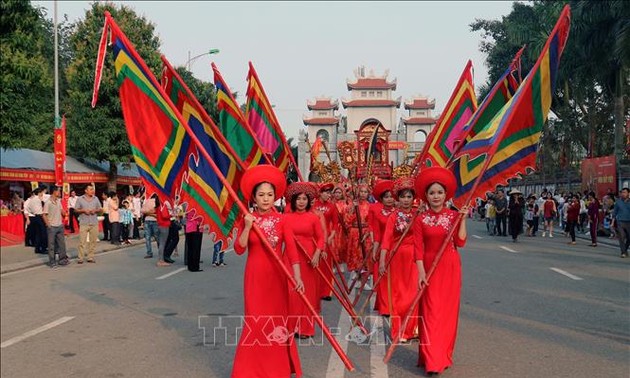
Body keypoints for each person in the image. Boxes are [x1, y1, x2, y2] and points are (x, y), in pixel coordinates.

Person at [231, 165, 304, 378]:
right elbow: (239, 249)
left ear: (275, 197)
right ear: (253, 197)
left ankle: (276, 370)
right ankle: (249, 371)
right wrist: (246, 226)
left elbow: (291, 251)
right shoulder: (248, 219)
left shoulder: (283, 220)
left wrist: (297, 277)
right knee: (255, 322)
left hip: (277, 279)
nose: (265, 199)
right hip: (254, 278)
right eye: (261, 195)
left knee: (275, 323)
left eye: (270, 195)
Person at [412, 167, 469, 376]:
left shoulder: (453, 216)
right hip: (428, 269)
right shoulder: (420, 219)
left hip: (450, 267)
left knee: (446, 313)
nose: (436, 196)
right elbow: (418, 248)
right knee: (430, 313)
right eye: (432, 193)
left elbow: (460, 242)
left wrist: (462, 220)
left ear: (446, 195)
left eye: (439, 192)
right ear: (426, 196)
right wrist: (420, 273)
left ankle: (442, 355)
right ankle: (431, 359)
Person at [379, 177, 418, 342]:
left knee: (414, 294)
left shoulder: (418, 214)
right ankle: (399, 331)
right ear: (398, 198)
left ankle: (412, 329)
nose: (406, 200)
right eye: (403, 197)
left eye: (409, 197)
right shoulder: (393, 217)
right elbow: (386, 240)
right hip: (397, 257)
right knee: (398, 295)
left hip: (416, 258)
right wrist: (382, 261)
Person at [285, 182, 325, 338]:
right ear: (293, 200)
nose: (301, 202)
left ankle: (306, 328)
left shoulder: (313, 218)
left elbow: (321, 238)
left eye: (304, 199)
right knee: (292, 293)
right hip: (289, 256)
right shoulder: (285, 218)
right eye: (298, 198)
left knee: (307, 293)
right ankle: (291, 326)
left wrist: (317, 254)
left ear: (309, 201)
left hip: (309, 258)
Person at [368, 179, 394, 316]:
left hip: (397, 250)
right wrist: (375, 250)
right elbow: (377, 234)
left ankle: (394, 304)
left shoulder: (400, 213)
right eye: (386, 197)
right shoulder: (378, 213)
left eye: (391, 196)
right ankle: (385, 307)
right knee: (383, 278)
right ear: (382, 199)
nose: (389, 200)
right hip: (384, 249)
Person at [74, 184, 102, 264]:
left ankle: (90, 257)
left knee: (93, 241)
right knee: (82, 241)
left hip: (94, 222)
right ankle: (80, 258)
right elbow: (75, 210)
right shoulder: (80, 199)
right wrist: (83, 210)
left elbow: (100, 209)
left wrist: (95, 211)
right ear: (86, 190)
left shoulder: (95, 199)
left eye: (92, 189)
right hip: (84, 222)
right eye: (90, 189)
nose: (92, 191)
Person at [43, 186, 69, 268]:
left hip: (59, 225)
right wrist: (48, 224)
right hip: (52, 226)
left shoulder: (58, 201)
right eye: (58, 191)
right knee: (51, 245)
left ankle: (62, 260)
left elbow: (61, 210)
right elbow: (44, 215)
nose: (59, 192)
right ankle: (52, 261)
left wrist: (65, 213)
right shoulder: (48, 202)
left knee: (62, 244)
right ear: (54, 191)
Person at [611, 188, 630, 258]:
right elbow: (614, 212)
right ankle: (623, 252)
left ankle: (625, 249)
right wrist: (612, 223)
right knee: (621, 237)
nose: (623, 194)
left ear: (628, 193)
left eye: (624, 192)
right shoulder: (618, 202)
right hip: (620, 222)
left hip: (629, 222)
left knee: (629, 238)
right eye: (622, 192)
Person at [141, 193, 160, 259]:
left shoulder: (147, 201)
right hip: (154, 220)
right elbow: (157, 212)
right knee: (157, 237)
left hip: (147, 220)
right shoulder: (157, 201)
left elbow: (143, 211)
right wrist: (152, 213)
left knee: (147, 237)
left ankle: (149, 253)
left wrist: (148, 213)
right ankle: (161, 251)